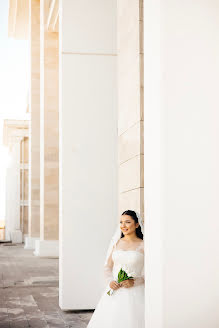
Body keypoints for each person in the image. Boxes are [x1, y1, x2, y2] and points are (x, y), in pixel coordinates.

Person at [87, 210, 145, 328]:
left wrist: (134, 281)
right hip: (116, 290)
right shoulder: (116, 242)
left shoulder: (144, 245)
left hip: (136, 292)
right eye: (121, 222)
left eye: (127, 222)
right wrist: (110, 281)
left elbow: (151, 272)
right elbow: (107, 267)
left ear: (137, 224)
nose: (123, 225)